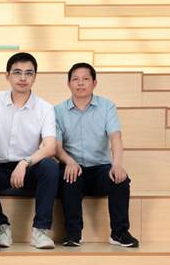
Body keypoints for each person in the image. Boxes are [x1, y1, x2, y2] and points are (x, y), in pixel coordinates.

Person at [0, 52, 58, 249]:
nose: (23, 78)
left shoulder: (45, 108)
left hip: (29, 168)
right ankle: (1, 226)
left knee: (50, 167)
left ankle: (40, 230)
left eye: (29, 73)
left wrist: (25, 163)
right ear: (7, 76)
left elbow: (50, 147)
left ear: (35, 77)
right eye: (17, 72)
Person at [55, 62, 138, 247]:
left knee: (121, 180)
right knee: (69, 178)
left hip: (101, 168)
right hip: (73, 166)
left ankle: (119, 233)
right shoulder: (57, 111)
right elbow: (57, 146)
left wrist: (117, 164)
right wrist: (69, 161)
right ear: (68, 84)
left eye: (85, 79)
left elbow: (115, 136)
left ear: (94, 83)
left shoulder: (107, 106)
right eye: (75, 79)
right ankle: (73, 234)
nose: (80, 83)